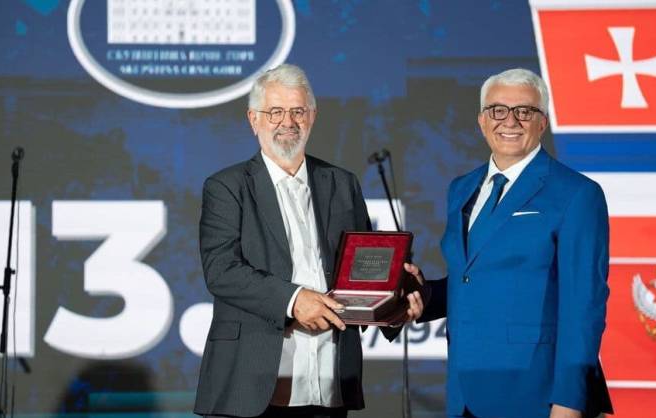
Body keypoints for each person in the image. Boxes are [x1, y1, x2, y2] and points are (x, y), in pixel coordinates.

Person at [194, 63, 424, 418]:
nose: (288, 122)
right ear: (253, 120)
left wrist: (394, 305)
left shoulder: (342, 183)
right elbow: (221, 270)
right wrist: (294, 300)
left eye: (298, 111)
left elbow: (361, 274)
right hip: (253, 386)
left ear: (312, 117)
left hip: (330, 382)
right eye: (275, 112)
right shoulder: (227, 186)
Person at [414, 68, 613, 418]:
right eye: (498, 110)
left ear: (542, 122)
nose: (510, 121)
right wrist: (422, 295)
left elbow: (584, 307)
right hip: (464, 392)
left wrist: (569, 401)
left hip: (536, 394)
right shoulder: (461, 189)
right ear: (482, 121)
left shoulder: (577, 194)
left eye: (524, 111)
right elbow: (471, 279)